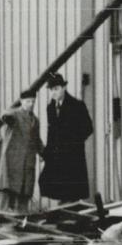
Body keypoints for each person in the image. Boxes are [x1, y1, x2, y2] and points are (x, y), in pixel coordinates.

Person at [38, 72, 93, 205]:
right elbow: (51, 132)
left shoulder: (77, 105)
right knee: (50, 183)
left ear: (63, 88)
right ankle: (63, 210)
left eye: (56, 89)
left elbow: (88, 128)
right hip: (57, 155)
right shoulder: (50, 107)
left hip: (73, 155)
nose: (54, 92)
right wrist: (47, 153)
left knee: (71, 189)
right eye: (51, 90)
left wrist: (73, 142)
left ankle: (70, 211)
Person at [0, 90, 42, 212]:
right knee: (8, 190)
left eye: (33, 101)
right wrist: (7, 115)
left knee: (24, 191)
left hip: (28, 162)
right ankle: (3, 216)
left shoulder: (35, 120)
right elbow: (5, 116)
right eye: (28, 101)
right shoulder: (15, 116)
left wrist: (45, 154)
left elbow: (37, 140)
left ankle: (21, 219)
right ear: (21, 102)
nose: (30, 104)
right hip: (13, 161)